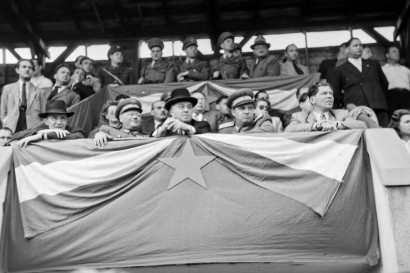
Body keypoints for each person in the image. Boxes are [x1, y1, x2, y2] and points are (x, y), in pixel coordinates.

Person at [330, 37, 389, 127]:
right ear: (347, 50)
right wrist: (348, 100)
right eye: (355, 45)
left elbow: (384, 83)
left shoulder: (374, 64)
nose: (359, 47)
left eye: (360, 45)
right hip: (357, 109)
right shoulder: (339, 70)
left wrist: (378, 97)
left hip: (379, 106)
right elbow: (336, 92)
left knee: (384, 135)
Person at [285, 83, 367, 132]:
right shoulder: (299, 116)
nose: (329, 97)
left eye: (331, 94)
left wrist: (338, 124)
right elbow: (288, 130)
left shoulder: (342, 114)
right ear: (312, 100)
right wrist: (315, 126)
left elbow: (362, 125)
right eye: (324, 93)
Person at [12, 100, 84, 147]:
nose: (59, 122)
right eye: (54, 118)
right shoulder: (41, 130)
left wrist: (42, 136)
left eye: (63, 118)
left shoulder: (72, 130)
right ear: (46, 121)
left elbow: (79, 136)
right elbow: (14, 137)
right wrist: (41, 132)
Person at [1, 59, 45, 133]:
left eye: (30, 68)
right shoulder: (8, 88)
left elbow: (44, 113)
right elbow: (3, 109)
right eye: (24, 67)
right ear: (17, 70)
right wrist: (6, 121)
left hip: (33, 127)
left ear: (33, 71)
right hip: (12, 126)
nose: (27, 69)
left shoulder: (40, 91)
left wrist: (39, 128)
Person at [382, 45, 410, 115]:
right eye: (394, 51)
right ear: (387, 55)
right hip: (391, 96)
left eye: (398, 52)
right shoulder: (382, 69)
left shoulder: (405, 69)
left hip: (407, 96)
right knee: (394, 119)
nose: (397, 53)